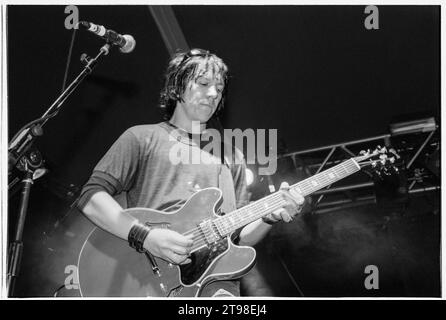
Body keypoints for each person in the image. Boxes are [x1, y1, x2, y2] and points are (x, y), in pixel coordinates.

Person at [76, 48, 305, 297]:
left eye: (219, 88)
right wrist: (146, 236)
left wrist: (268, 217)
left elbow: (238, 237)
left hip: (217, 286)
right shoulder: (142, 137)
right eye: (204, 83)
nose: (213, 93)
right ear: (176, 87)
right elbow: (90, 197)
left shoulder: (231, 157)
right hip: (150, 281)